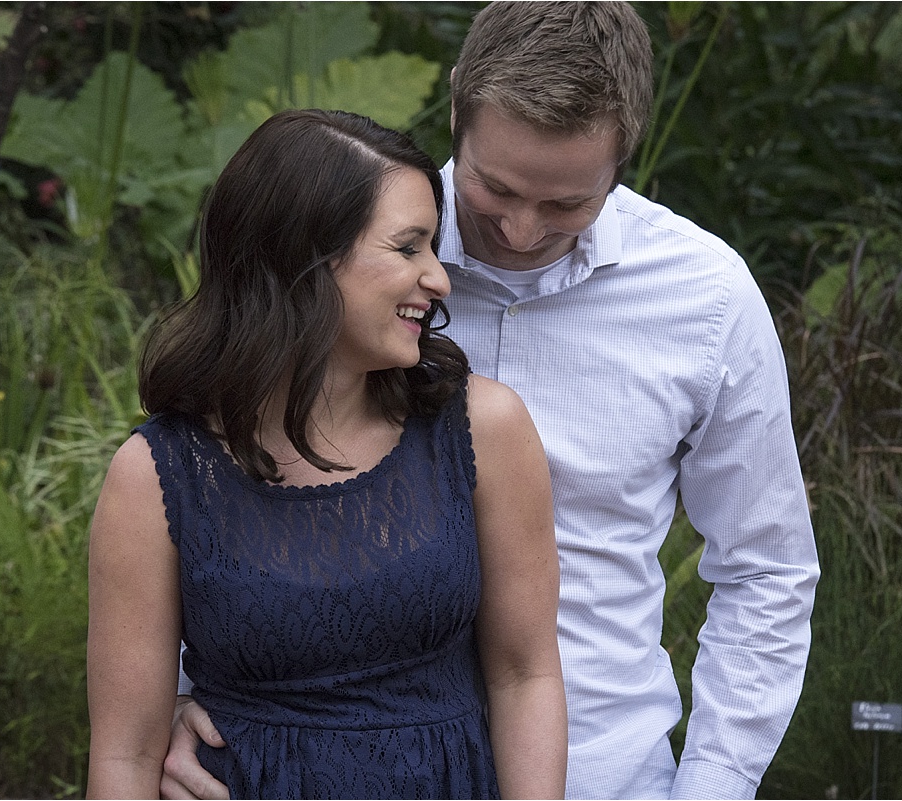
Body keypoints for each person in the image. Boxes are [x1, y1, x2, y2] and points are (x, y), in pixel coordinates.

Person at [160, 3, 820, 799]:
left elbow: (767, 567)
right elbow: (204, 489)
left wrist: (714, 782)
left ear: (624, 159)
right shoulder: (347, 258)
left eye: (568, 204)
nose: (518, 228)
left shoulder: (707, 300)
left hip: (604, 776)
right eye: (494, 187)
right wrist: (166, 702)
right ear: (456, 114)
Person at [86, 108, 567, 799]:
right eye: (408, 248)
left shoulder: (482, 427)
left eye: (433, 248)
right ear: (303, 258)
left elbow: (526, 675)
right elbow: (125, 756)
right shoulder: (159, 473)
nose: (438, 279)